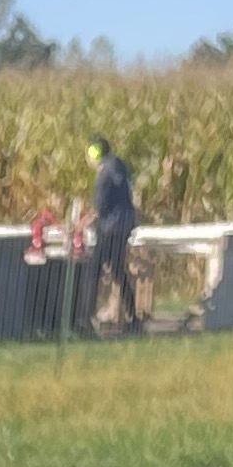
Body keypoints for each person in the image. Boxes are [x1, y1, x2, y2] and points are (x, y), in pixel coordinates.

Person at [85, 136, 141, 333]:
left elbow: (99, 207)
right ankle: (132, 316)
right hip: (125, 226)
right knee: (118, 270)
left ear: (95, 153)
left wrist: (82, 223)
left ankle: (86, 317)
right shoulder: (121, 168)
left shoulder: (104, 175)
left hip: (109, 229)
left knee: (93, 271)